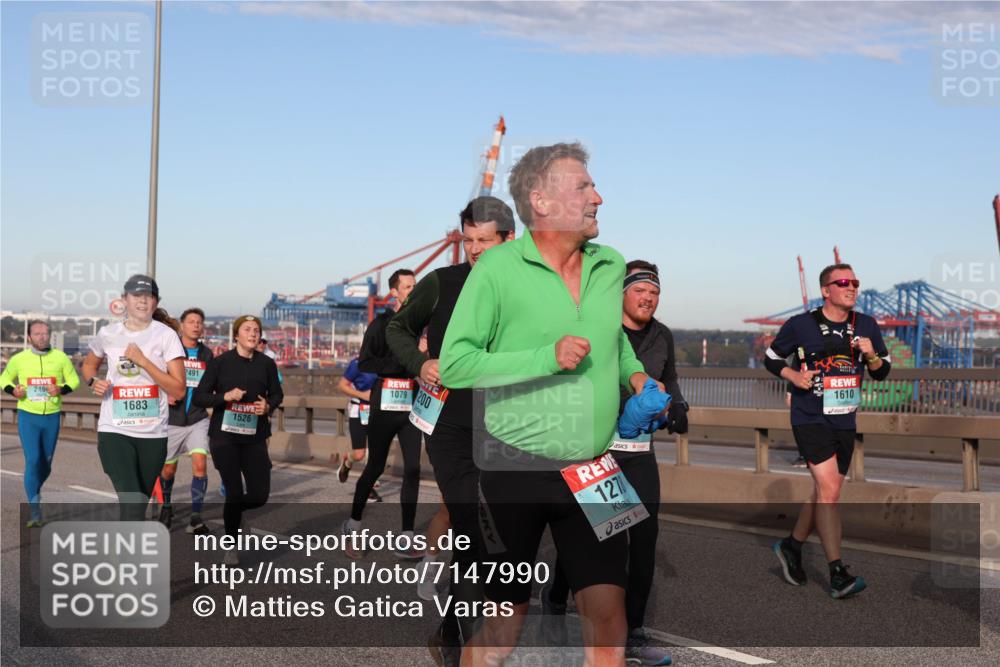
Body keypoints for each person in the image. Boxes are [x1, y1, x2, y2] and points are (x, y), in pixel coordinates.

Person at [439, 143, 669, 666]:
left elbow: (612, 338)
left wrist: (636, 378)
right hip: (513, 466)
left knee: (610, 619)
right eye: (585, 187)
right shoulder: (497, 268)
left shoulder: (610, 264)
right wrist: (548, 356)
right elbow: (455, 363)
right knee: (504, 625)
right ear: (541, 200)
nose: (599, 197)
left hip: (595, 466)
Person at [386, 195, 516, 658]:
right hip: (449, 424)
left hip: (506, 424)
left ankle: (451, 626)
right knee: (468, 520)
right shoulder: (441, 282)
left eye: (486, 240)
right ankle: (460, 641)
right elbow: (396, 329)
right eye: (469, 240)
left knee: (494, 530)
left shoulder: (525, 287)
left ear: (509, 239)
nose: (476, 249)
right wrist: (420, 363)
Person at [541, 260, 686, 666]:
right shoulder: (603, 332)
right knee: (603, 541)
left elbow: (669, 378)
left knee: (643, 543)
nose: (648, 298)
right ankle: (556, 596)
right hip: (600, 453)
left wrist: (679, 405)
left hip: (641, 454)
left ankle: (634, 632)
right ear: (622, 293)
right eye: (640, 290)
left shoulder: (663, 337)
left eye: (655, 292)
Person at [765, 263, 891, 599]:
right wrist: (792, 376)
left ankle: (792, 546)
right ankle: (838, 573)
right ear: (826, 290)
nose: (852, 287)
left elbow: (882, 371)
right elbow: (771, 356)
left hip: (845, 419)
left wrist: (872, 357)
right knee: (830, 492)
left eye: (855, 282)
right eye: (844, 282)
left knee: (826, 490)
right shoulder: (800, 325)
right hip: (809, 417)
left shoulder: (867, 325)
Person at [81, 275, 186, 521]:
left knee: (138, 507)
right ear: (124, 300)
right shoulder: (108, 333)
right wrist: (93, 381)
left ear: (156, 301)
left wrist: (144, 362)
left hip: (153, 433)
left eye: (149, 296)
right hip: (114, 430)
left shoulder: (166, 336)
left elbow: (179, 390)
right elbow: (89, 364)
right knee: (131, 501)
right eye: (136, 296)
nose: (142, 301)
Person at [343, 269, 422, 560]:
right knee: (375, 467)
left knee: (413, 468)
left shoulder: (423, 324)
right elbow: (366, 361)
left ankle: (406, 536)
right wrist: (405, 357)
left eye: (416, 286)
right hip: (385, 400)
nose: (413, 291)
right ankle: (352, 525)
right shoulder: (382, 324)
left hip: (412, 402)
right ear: (394, 292)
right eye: (408, 286)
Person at [193, 314, 282, 565]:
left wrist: (268, 406)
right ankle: (230, 547)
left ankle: (236, 513)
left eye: (256, 330)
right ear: (236, 335)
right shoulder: (220, 363)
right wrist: (225, 396)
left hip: (254, 436)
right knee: (233, 491)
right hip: (224, 437)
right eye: (247, 329)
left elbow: (277, 394)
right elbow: (200, 397)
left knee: (259, 495)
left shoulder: (266, 364)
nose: (253, 334)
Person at [1, 320, 80, 526]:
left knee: (45, 465)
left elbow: (74, 381)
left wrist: (61, 389)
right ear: (29, 337)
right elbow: (4, 380)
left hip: (52, 417)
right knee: (33, 459)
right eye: (37, 334)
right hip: (28, 415)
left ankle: (35, 490)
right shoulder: (19, 359)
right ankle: (35, 509)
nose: (41, 337)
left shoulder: (61, 358)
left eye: (45, 333)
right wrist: (13, 391)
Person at [158, 307, 214, 534]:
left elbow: (212, 384)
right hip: (172, 419)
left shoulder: (207, 355)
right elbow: (155, 376)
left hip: (197, 418)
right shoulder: (171, 350)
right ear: (182, 325)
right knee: (168, 471)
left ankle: (195, 517)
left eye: (199, 322)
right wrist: (165, 392)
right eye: (191, 322)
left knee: (200, 464)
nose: (196, 326)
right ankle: (166, 506)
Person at [336, 356, 377, 484]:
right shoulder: (357, 363)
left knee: (375, 451)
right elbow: (342, 386)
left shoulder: (385, 362)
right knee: (359, 455)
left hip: (378, 411)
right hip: (358, 410)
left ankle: (369, 486)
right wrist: (362, 395)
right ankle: (347, 460)